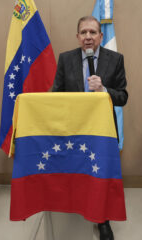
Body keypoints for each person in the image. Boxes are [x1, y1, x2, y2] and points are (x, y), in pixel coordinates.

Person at [52, 16, 128, 240]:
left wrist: (104, 89)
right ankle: (76, 208)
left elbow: (123, 97)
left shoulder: (115, 59)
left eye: (92, 32)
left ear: (100, 36)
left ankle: (103, 219)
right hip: (73, 129)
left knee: (100, 174)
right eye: (83, 32)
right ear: (77, 37)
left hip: (102, 131)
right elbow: (56, 93)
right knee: (76, 171)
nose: (88, 37)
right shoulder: (65, 59)